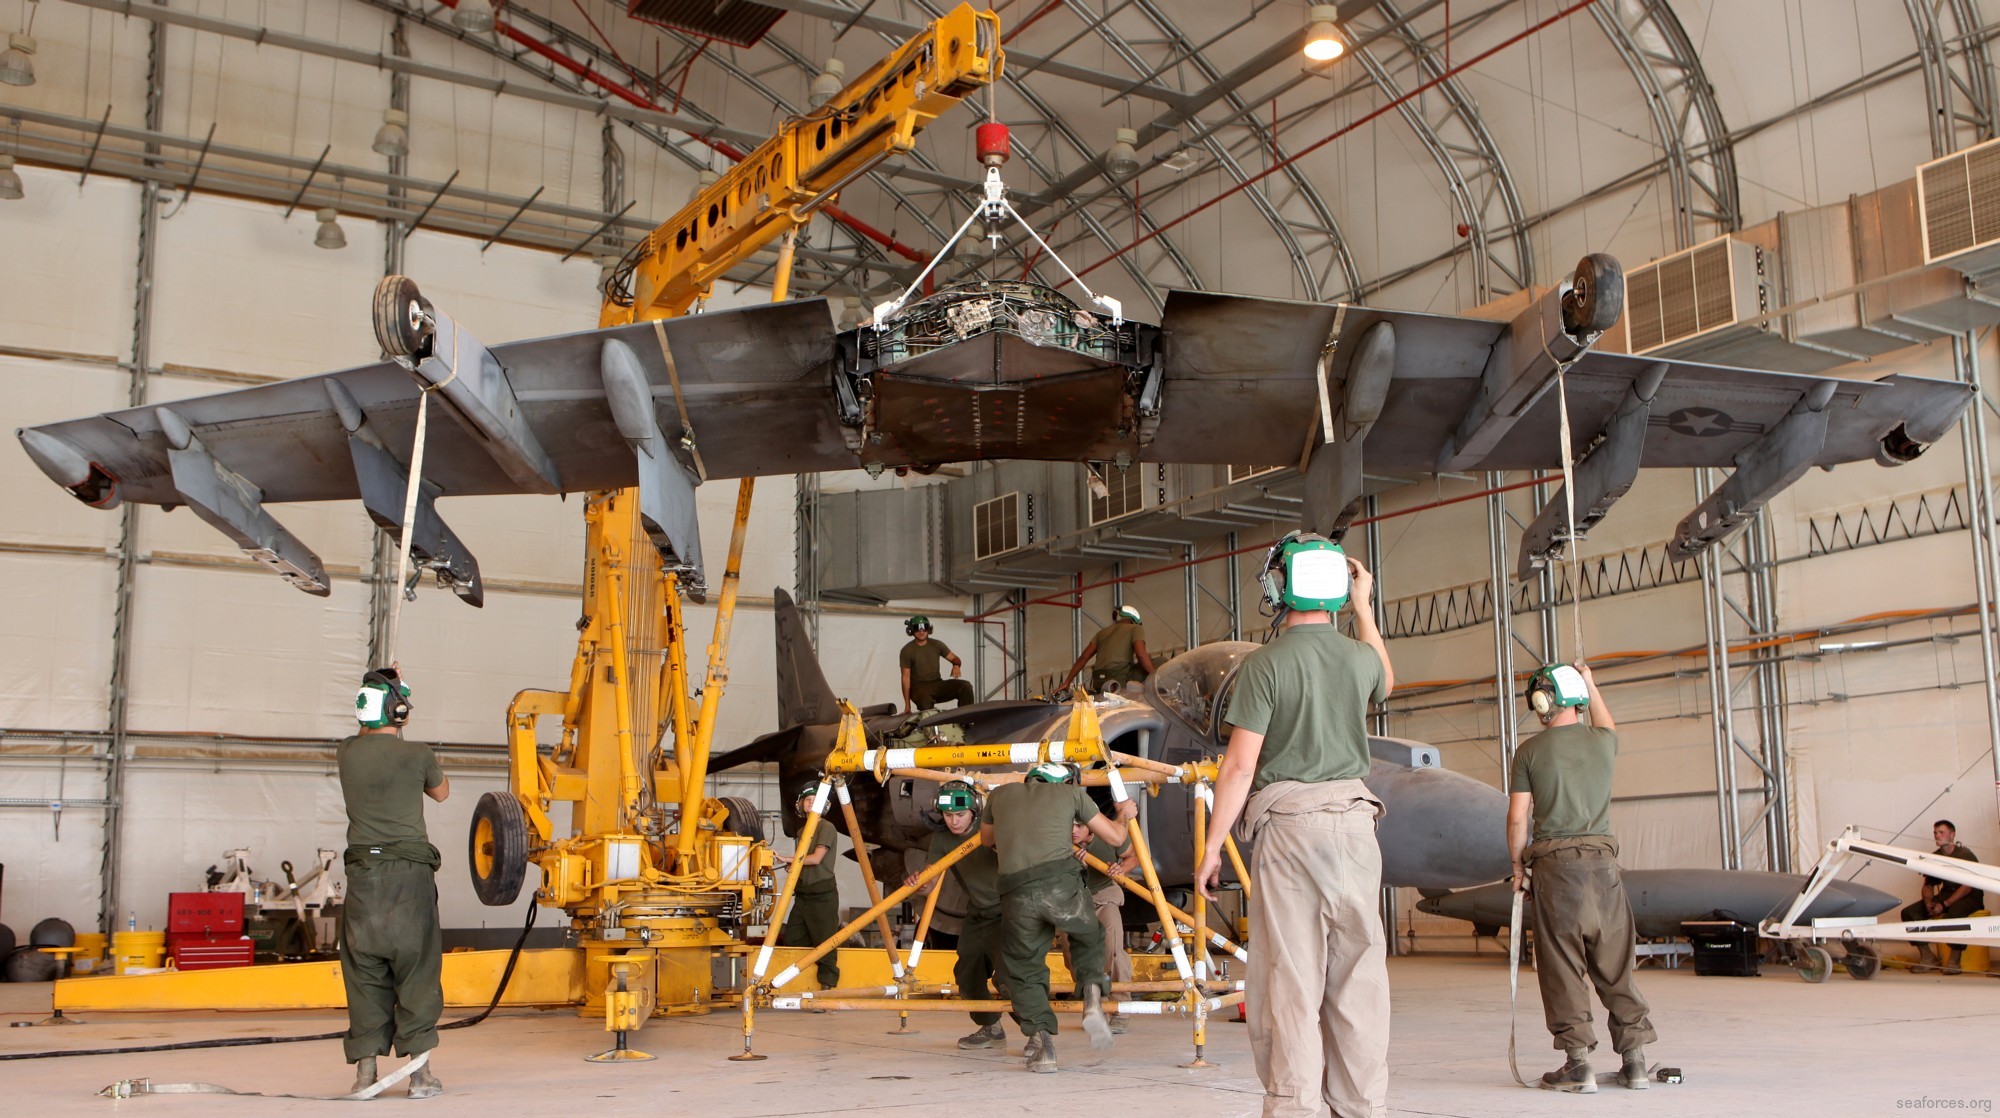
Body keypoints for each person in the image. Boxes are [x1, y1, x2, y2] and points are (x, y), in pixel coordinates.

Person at [1196, 531, 1392, 1118]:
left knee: (1291, 985)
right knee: (1360, 987)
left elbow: (1238, 764)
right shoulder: (1359, 658)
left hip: (1292, 831)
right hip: (1359, 832)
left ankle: (1294, 1110)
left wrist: (1212, 848)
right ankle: (1362, 1109)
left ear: (1279, 586)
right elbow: (1387, 679)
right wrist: (1364, 606)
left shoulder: (1266, 665)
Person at [1506, 661, 1657, 1093]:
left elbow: (1518, 818)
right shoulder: (1603, 741)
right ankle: (1635, 1062)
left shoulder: (1530, 752)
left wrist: (1518, 868)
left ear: (1542, 701)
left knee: (1562, 966)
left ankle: (1578, 1065)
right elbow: (1606, 721)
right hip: (1605, 868)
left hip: (1557, 871)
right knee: (1616, 965)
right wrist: (1590, 681)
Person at [336, 667, 449, 1099]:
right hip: (408, 878)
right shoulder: (417, 754)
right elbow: (442, 794)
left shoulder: (346, 752)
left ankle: (365, 1074)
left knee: (364, 972)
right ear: (398, 710)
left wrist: (386, 689)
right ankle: (420, 1076)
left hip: (363, 881)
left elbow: (370, 737)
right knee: (417, 971)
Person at [981, 762, 1136, 1073]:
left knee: (1024, 967)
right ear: (1068, 781)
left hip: (1016, 891)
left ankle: (1044, 1048)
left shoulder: (999, 795)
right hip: (1059, 883)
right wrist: (1125, 814)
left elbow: (988, 841)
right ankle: (1092, 995)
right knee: (1088, 936)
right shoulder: (1072, 796)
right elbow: (1118, 839)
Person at [904, 780, 1018, 1048]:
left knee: (1012, 975)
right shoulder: (942, 839)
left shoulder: (991, 830)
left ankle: (1038, 1034)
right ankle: (990, 1027)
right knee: (967, 973)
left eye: (960, 815)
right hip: (978, 912)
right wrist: (920, 883)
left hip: (1010, 910)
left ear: (975, 811)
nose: (954, 822)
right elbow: (931, 881)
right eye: (948, 815)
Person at [777, 786, 842, 991]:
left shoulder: (827, 827)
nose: (812, 802)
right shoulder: (801, 831)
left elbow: (815, 858)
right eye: (808, 799)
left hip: (822, 893)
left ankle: (827, 985)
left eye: (817, 798)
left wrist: (788, 858)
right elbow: (804, 860)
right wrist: (792, 865)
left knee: (825, 941)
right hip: (804, 894)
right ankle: (800, 983)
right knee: (794, 938)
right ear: (801, 805)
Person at [1901, 819, 1984, 974]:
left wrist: (1944, 905)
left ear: (1952, 834)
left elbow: (1968, 886)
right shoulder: (1935, 857)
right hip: (1947, 894)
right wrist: (1928, 902)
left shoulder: (1965, 855)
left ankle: (1954, 961)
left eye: (1941, 832)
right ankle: (1927, 957)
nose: (1937, 835)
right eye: (1935, 833)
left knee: (1955, 914)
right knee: (1909, 913)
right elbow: (1928, 884)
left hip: (1970, 896)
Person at [1058, 606, 1157, 693]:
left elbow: (1083, 658)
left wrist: (1067, 682)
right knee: (1160, 661)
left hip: (1098, 682)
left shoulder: (1101, 633)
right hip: (1119, 679)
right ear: (1134, 621)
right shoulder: (1135, 628)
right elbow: (1141, 655)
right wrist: (1155, 676)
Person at [901, 615, 974, 712]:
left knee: (966, 686)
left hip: (937, 683)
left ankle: (966, 721)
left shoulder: (937, 645)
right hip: (918, 688)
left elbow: (955, 659)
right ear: (911, 630)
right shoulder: (907, 650)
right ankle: (931, 724)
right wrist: (907, 706)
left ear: (929, 629)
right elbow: (905, 679)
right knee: (925, 702)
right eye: (917, 628)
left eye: (924, 627)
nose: (921, 631)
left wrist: (956, 665)